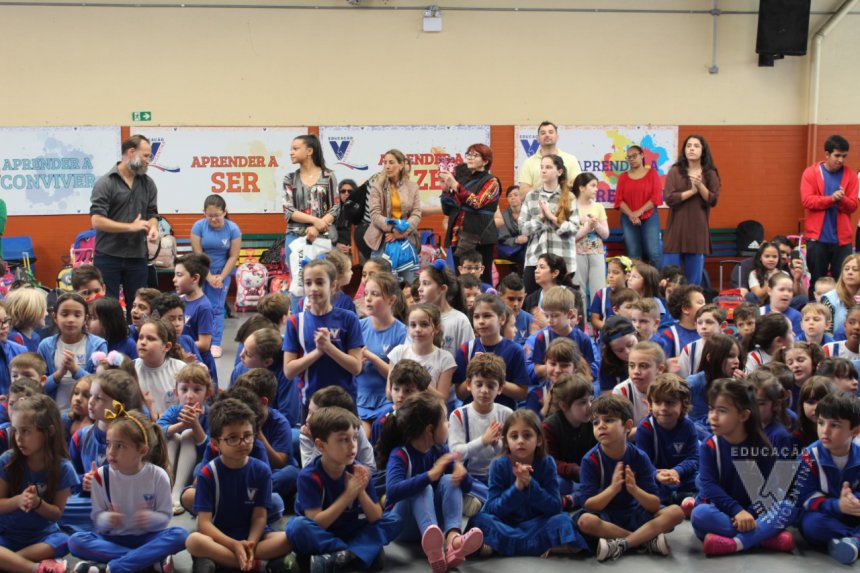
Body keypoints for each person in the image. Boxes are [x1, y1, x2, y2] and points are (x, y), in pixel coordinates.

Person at [68, 404, 188, 573]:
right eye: (109, 444)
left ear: (142, 450)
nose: (111, 452)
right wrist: (107, 518)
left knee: (181, 535)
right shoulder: (101, 476)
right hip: (113, 538)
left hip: (148, 537)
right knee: (75, 541)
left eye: (120, 446)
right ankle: (146, 560)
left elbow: (165, 516)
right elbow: (97, 516)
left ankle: (114, 566)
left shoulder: (158, 476)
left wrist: (150, 518)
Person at [377, 392, 484, 572]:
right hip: (403, 526)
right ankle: (433, 543)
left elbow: (467, 486)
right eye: (444, 421)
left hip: (433, 528)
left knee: (450, 480)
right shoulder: (400, 454)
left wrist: (461, 472)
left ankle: (452, 540)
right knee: (423, 487)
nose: (448, 425)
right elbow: (392, 492)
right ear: (429, 429)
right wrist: (429, 475)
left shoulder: (439, 451)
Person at [185, 398, 293, 572]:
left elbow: (259, 517)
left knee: (288, 538)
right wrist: (234, 544)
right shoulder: (207, 474)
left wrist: (250, 543)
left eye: (248, 436)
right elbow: (204, 524)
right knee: (193, 541)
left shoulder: (262, 471)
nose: (243, 443)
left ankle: (228, 559)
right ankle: (258, 565)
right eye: (233, 438)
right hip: (221, 537)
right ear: (215, 443)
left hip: (254, 536)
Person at [691, 379, 797, 556]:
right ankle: (764, 538)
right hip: (723, 512)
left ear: (743, 415)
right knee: (700, 514)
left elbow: (769, 493)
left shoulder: (761, 447)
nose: (713, 417)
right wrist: (737, 512)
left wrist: (747, 514)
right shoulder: (710, 446)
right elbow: (710, 487)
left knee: (788, 507)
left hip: (753, 514)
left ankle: (735, 543)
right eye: (711, 409)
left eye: (722, 410)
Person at [286, 406, 399, 571]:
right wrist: (348, 494)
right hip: (319, 534)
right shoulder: (309, 476)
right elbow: (317, 522)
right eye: (343, 440)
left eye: (354, 438)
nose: (353, 446)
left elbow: (376, 516)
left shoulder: (358, 470)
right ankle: (354, 552)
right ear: (321, 445)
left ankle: (340, 555)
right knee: (296, 527)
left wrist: (360, 490)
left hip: (348, 529)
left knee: (393, 520)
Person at [576, 394, 685, 562]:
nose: (601, 426)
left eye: (609, 420)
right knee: (585, 521)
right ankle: (645, 540)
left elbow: (653, 504)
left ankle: (623, 543)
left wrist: (634, 489)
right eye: (596, 422)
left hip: (636, 514)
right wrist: (613, 489)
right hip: (607, 518)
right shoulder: (590, 460)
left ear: (627, 425)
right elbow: (589, 505)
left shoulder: (640, 457)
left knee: (676, 512)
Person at [0, 395, 78, 573]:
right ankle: (34, 568)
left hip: (41, 536)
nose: (18, 438)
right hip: (7, 533)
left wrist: (37, 503)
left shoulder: (63, 468)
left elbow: (56, 514)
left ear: (49, 431)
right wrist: (18, 500)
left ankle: (9, 561)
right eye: (16, 430)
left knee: (66, 541)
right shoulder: (7, 460)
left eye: (26, 431)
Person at [89, 134, 160, 311]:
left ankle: (139, 339)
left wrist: (153, 227)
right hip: (108, 255)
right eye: (145, 156)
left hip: (137, 256)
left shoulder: (148, 184)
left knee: (140, 306)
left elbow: (152, 214)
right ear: (131, 152)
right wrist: (131, 227)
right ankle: (110, 340)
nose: (148, 161)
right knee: (108, 307)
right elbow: (96, 221)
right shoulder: (105, 183)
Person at [796, 392, 860, 564]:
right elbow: (805, 497)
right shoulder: (808, 457)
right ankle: (854, 539)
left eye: (835, 425)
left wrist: (854, 501)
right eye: (821, 423)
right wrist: (838, 505)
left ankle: (851, 542)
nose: (825, 430)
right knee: (812, 525)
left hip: (853, 512)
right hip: (823, 513)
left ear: (855, 430)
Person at [282, 135, 339, 311]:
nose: (291, 152)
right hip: (296, 237)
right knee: (298, 285)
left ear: (309, 151)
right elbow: (289, 211)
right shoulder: (290, 178)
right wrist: (315, 221)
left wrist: (318, 227)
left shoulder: (328, 176)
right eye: (291, 148)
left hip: (321, 239)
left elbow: (336, 207)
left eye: (295, 148)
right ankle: (298, 326)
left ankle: (321, 322)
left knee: (323, 282)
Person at [801, 135, 859, 295]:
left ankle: (843, 318)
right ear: (827, 154)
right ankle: (813, 316)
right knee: (817, 282)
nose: (840, 160)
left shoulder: (851, 176)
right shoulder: (811, 173)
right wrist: (831, 199)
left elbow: (853, 206)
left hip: (842, 241)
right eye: (837, 155)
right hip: (817, 239)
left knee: (844, 284)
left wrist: (842, 200)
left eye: (844, 156)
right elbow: (807, 201)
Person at [662, 135, 720, 285]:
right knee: (669, 279)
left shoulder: (710, 173)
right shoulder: (675, 171)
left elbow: (713, 200)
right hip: (676, 231)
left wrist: (700, 186)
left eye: (696, 146)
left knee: (693, 282)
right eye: (688, 146)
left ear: (703, 150)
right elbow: (669, 198)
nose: (692, 149)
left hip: (697, 232)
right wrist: (691, 192)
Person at [438, 144, 501, 285]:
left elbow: (477, 202)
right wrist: (446, 191)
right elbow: (448, 210)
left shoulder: (492, 181)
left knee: (482, 279)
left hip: (480, 237)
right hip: (459, 236)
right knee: (459, 278)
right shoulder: (463, 180)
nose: (470, 158)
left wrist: (455, 185)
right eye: (469, 154)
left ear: (485, 161)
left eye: (475, 155)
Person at [518, 155, 579, 294]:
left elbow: (575, 228)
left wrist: (552, 217)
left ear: (559, 171)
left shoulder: (569, 197)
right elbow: (522, 228)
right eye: (542, 167)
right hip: (535, 259)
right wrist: (540, 218)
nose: (543, 171)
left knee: (561, 304)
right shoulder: (532, 196)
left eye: (549, 167)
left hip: (562, 259)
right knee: (531, 301)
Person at [191, 195, 242, 359]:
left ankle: (215, 343)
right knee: (198, 306)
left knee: (216, 308)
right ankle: (197, 340)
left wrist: (220, 277)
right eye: (210, 215)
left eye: (217, 215)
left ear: (225, 212)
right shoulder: (198, 226)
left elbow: (233, 256)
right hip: (201, 271)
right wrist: (208, 276)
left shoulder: (233, 229)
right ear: (204, 213)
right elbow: (198, 254)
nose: (213, 219)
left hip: (223, 272)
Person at [364, 150, 422, 283]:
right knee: (379, 283)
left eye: (391, 162)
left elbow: (417, 213)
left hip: (406, 239)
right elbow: (375, 214)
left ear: (401, 165)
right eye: (385, 163)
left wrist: (402, 232)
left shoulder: (413, 187)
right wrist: (393, 230)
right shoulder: (377, 186)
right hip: (383, 239)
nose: (387, 166)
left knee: (408, 283)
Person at [615, 145, 663, 268]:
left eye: (634, 155)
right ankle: (635, 285)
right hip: (628, 219)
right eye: (629, 157)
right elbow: (619, 201)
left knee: (654, 254)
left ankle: (656, 285)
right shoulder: (623, 177)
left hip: (650, 216)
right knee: (633, 255)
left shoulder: (652, 173)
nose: (631, 159)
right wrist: (632, 214)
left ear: (642, 155)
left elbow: (656, 198)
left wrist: (638, 212)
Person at [516, 121, 581, 196]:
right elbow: (522, 195)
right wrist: (542, 185)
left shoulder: (571, 159)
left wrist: (556, 185)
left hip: (564, 205)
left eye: (550, 132)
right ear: (537, 139)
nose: (547, 135)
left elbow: (579, 187)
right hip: (537, 206)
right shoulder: (528, 163)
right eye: (543, 133)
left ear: (557, 137)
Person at [495, 185, 528, 271]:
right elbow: (502, 239)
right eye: (510, 196)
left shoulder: (529, 213)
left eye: (516, 195)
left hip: (527, 247)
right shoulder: (503, 216)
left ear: (521, 197)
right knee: (526, 256)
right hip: (509, 250)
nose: (513, 198)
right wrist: (516, 240)